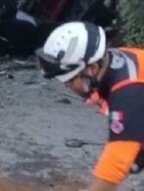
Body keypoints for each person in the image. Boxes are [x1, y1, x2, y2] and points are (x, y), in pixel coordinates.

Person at [37, 21, 144, 191]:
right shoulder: (118, 61)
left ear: (92, 69)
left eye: (71, 81)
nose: (70, 88)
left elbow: (116, 162)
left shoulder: (128, 92)